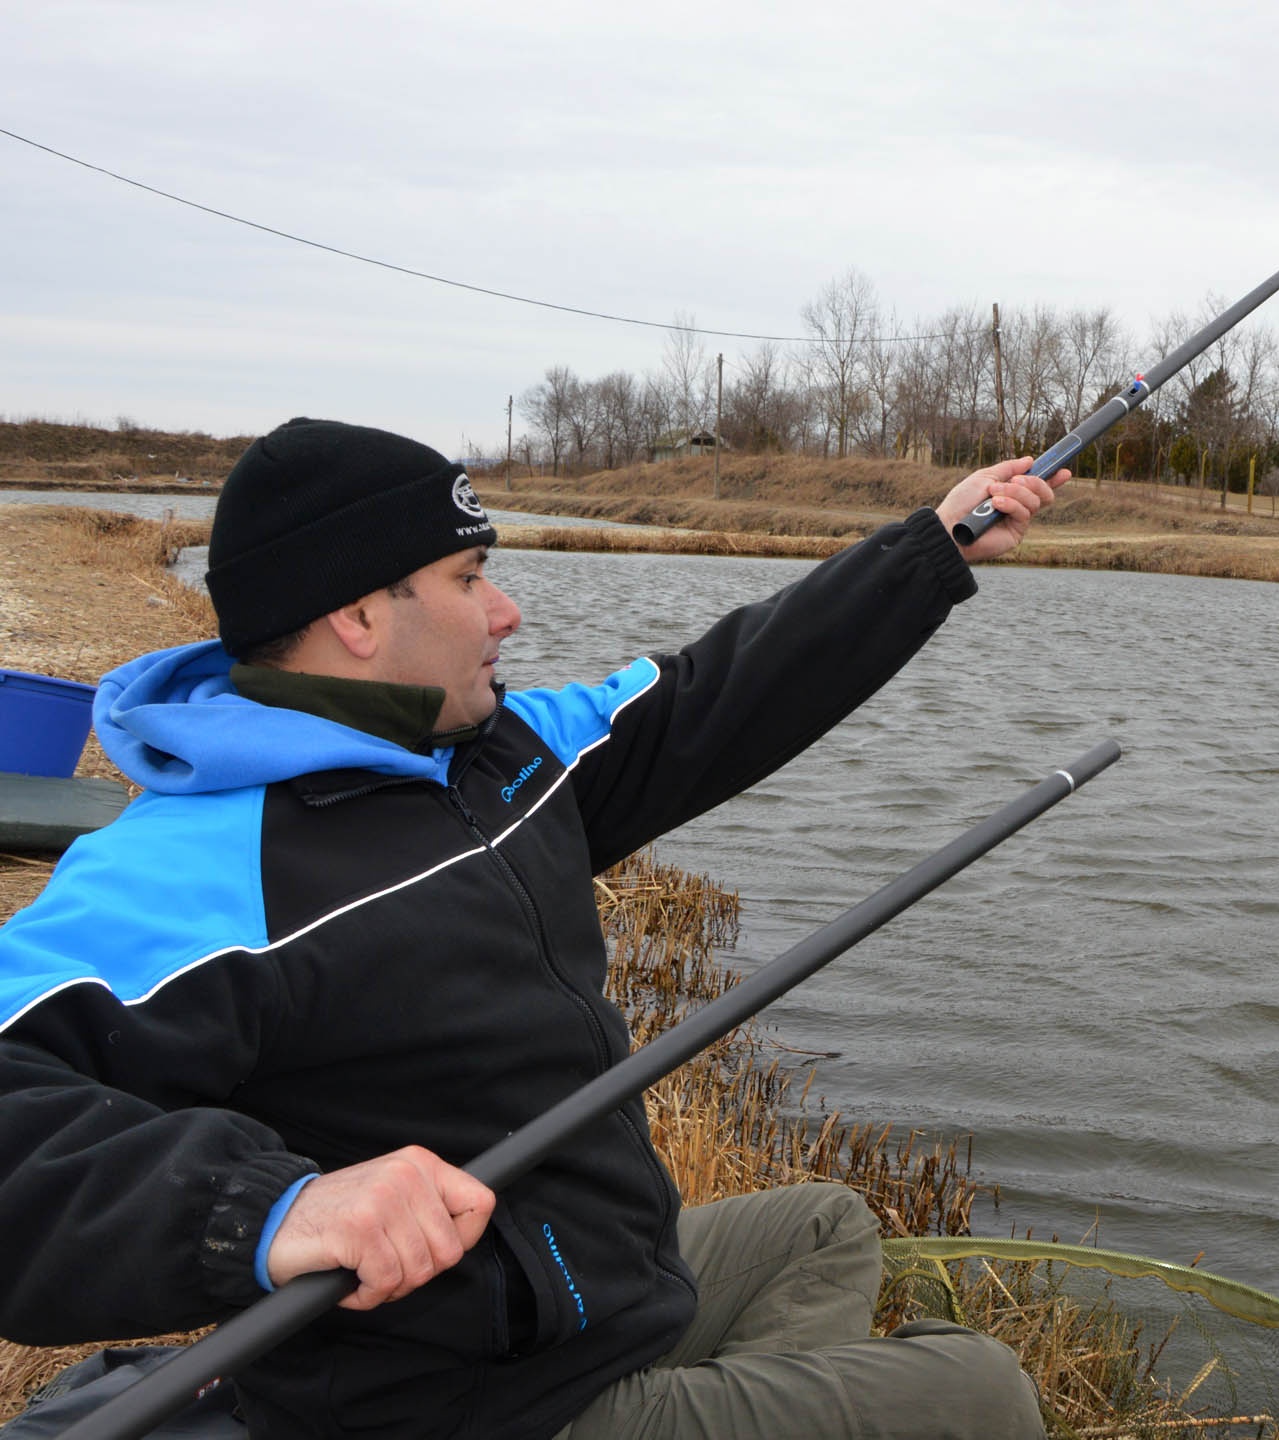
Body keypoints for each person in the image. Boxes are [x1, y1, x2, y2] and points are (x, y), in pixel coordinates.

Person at [0, 418, 1066, 1440]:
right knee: (981, 1396)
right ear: (359, 619)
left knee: (823, 1227)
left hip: (595, 1307)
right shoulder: (190, 866)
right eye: (469, 580)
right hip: (468, 1405)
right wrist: (275, 1210)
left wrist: (931, 548)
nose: (504, 611)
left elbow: (716, 693)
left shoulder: (495, 753)